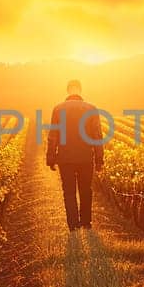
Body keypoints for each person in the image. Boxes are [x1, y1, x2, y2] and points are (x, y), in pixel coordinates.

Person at [46, 79, 104, 230]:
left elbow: (53, 135)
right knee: (86, 190)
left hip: (65, 158)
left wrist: (51, 158)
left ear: (68, 91)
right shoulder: (91, 108)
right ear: (80, 90)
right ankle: (86, 222)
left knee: (69, 191)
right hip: (86, 157)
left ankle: (73, 225)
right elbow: (97, 135)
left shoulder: (58, 109)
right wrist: (99, 159)